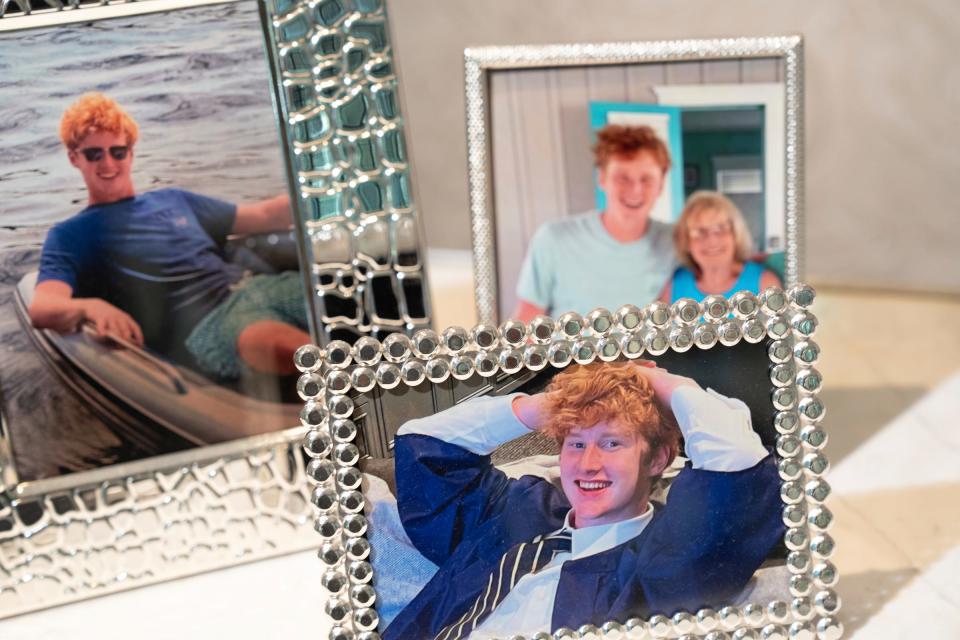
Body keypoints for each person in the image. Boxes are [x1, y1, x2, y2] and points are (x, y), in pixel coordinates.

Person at [386, 361, 783, 639]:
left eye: (612, 443)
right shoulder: (517, 510)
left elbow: (736, 461)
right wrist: (551, 405)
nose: (587, 464)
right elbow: (425, 444)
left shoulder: (668, 558)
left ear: (658, 458)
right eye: (576, 443)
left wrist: (649, 380)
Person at [28, 92, 310, 380]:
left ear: (131, 153)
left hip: (261, 288)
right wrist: (90, 306)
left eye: (118, 151)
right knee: (284, 346)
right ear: (75, 158)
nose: (108, 164)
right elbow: (43, 307)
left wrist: (322, 194)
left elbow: (263, 216)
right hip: (213, 322)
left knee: (346, 294)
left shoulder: (174, 200)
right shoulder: (70, 235)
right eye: (94, 154)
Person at [513, 125, 676, 322]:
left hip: (644, 354)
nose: (635, 189)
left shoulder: (675, 241)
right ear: (602, 178)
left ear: (660, 186)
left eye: (646, 179)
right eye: (622, 178)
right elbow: (527, 319)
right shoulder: (554, 238)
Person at [660, 191, 781, 303]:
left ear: (735, 235)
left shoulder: (765, 283)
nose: (712, 240)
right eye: (700, 232)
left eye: (721, 228)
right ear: (686, 241)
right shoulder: (674, 285)